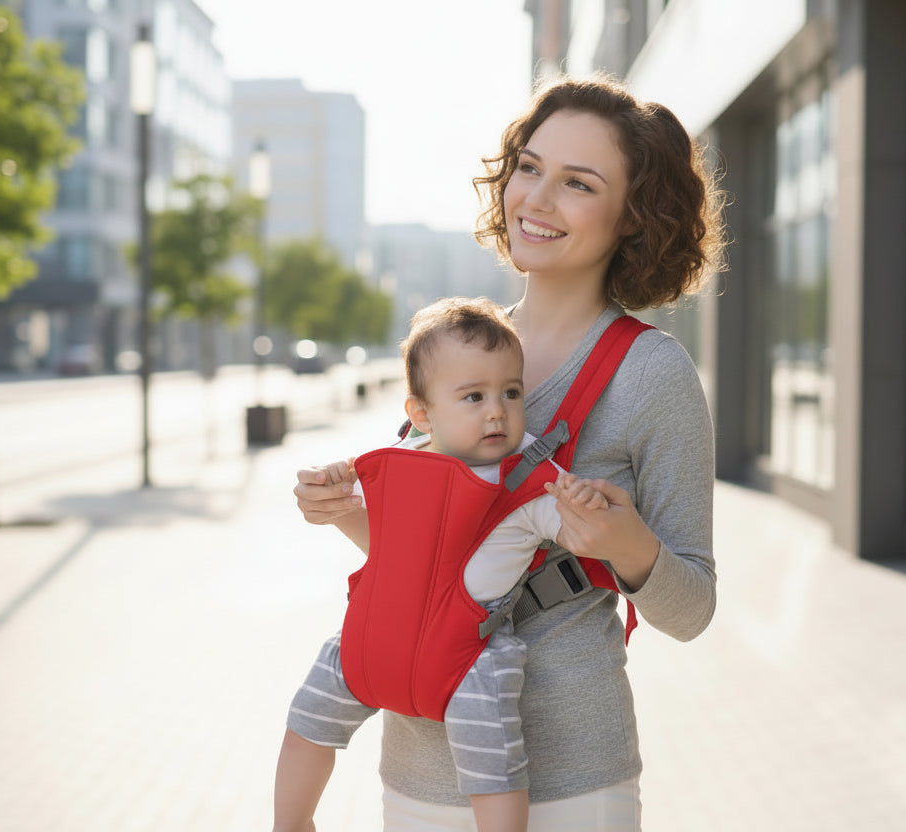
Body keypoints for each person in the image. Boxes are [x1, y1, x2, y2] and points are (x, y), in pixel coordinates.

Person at [291, 73, 724, 831]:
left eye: (578, 183)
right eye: (530, 167)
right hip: (419, 770)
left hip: (574, 782)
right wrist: (344, 515)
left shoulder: (652, 373)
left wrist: (630, 545)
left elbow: (692, 610)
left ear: (632, 217)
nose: (538, 199)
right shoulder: (459, 344)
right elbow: (431, 553)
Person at [274, 296, 611, 832]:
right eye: (473, 396)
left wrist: (587, 507)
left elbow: (580, 531)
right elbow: (368, 517)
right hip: (369, 639)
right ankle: (291, 822)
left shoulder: (528, 485)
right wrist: (331, 487)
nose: (497, 410)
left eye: (511, 392)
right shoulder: (400, 458)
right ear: (422, 413)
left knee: (495, 764)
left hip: (465, 660)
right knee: (307, 720)